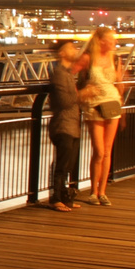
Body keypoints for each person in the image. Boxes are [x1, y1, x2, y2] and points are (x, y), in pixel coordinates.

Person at [78, 26, 124, 206]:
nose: (115, 42)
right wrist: (82, 92)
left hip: (112, 103)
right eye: (111, 38)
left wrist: (122, 98)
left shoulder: (115, 58)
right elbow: (75, 78)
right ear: (101, 41)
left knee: (107, 151)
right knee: (99, 151)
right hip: (94, 106)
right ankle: (92, 191)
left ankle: (102, 192)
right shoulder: (88, 58)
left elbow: (118, 81)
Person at [46, 40, 84, 212]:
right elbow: (65, 101)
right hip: (62, 125)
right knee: (61, 165)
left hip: (72, 125)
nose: (74, 49)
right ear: (61, 53)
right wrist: (83, 94)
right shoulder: (60, 74)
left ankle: (65, 198)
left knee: (68, 164)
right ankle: (55, 199)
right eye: (70, 47)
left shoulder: (68, 73)